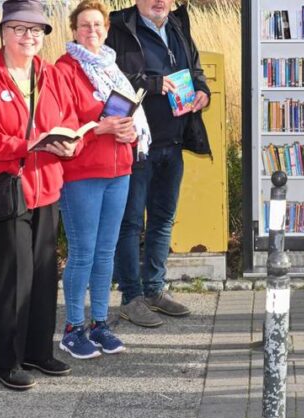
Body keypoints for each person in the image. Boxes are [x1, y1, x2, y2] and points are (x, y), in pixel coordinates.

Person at [0, 0, 80, 390]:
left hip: (47, 186)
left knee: (45, 273)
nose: (29, 37)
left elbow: (70, 120)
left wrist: (71, 144)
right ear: (4, 32)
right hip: (7, 189)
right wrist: (26, 145)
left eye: (36, 30)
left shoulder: (51, 73)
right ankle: (5, 362)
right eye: (20, 29)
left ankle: (38, 352)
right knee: (13, 280)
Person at [54, 0, 151, 359]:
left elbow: (131, 116)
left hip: (119, 171)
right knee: (82, 253)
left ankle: (99, 324)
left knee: (105, 253)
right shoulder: (64, 70)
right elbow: (62, 125)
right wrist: (100, 128)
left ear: (106, 29)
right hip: (82, 173)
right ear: (74, 30)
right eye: (84, 26)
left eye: (97, 25)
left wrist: (130, 134)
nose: (91, 32)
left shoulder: (113, 67)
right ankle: (72, 328)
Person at [107, 0, 211, 328]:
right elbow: (112, 82)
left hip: (174, 141)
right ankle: (131, 297)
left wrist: (203, 91)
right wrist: (151, 84)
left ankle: (154, 290)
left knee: (163, 220)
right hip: (139, 145)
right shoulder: (121, 29)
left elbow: (194, 70)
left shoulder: (178, 25)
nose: (159, 1)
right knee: (131, 223)